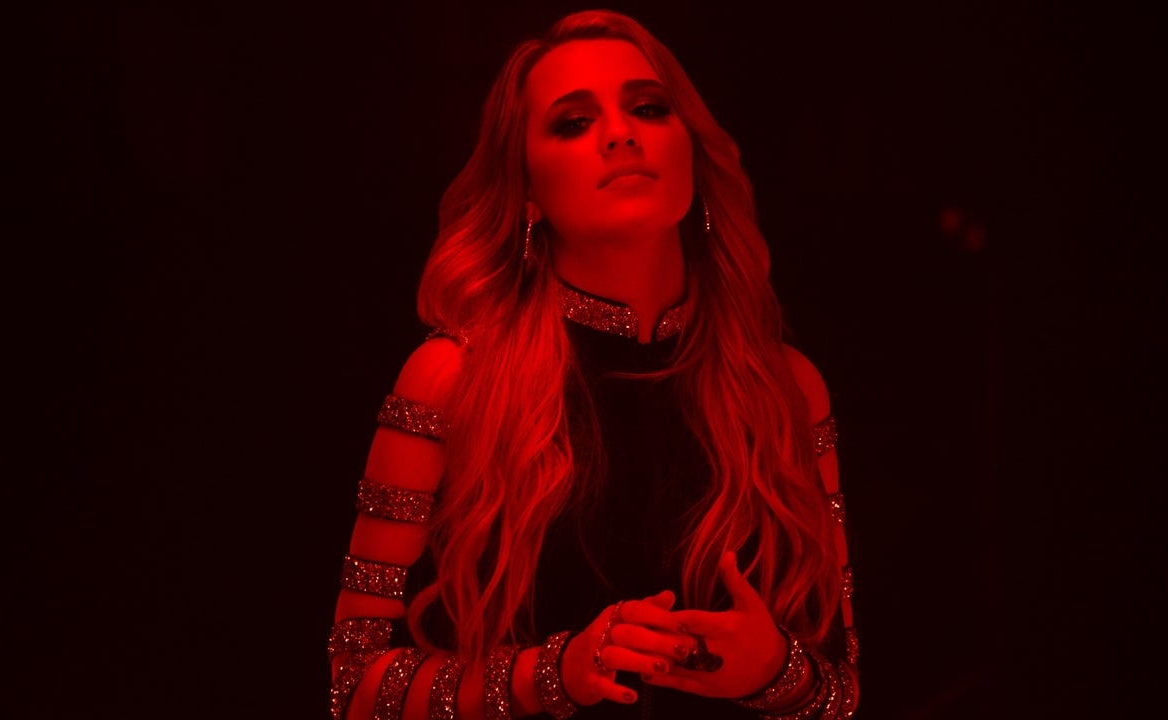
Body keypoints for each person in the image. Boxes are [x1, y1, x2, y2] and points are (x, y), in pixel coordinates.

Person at [328, 9, 859, 720]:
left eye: (649, 108)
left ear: (693, 153)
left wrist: (773, 671)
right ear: (525, 189)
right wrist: (555, 673)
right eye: (574, 123)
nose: (620, 134)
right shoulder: (450, 381)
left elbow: (843, 689)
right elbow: (353, 686)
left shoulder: (787, 387)